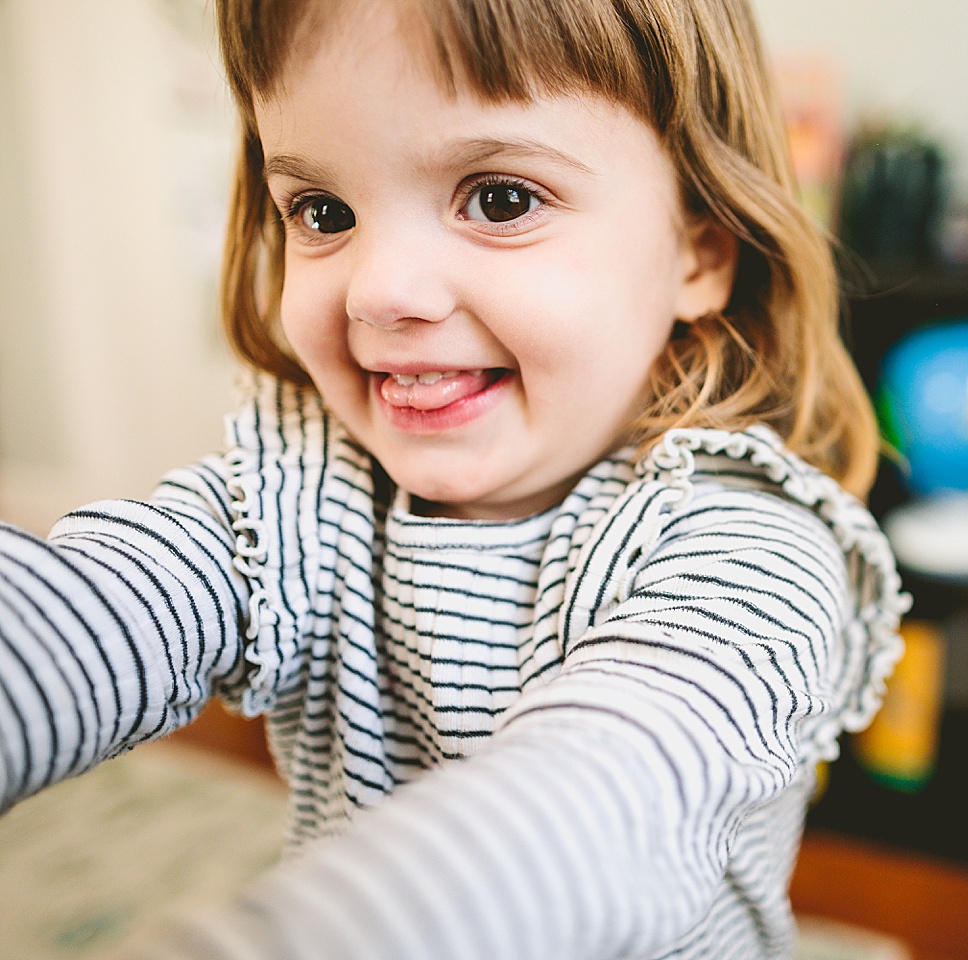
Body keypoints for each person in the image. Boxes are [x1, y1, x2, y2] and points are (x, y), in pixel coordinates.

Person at [0, 0, 907, 956]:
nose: (379, 290)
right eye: (324, 213)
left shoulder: (753, 554)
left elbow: (598, 814)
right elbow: (84, 608)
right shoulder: (295, 496)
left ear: (701, 249)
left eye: (501, 199)